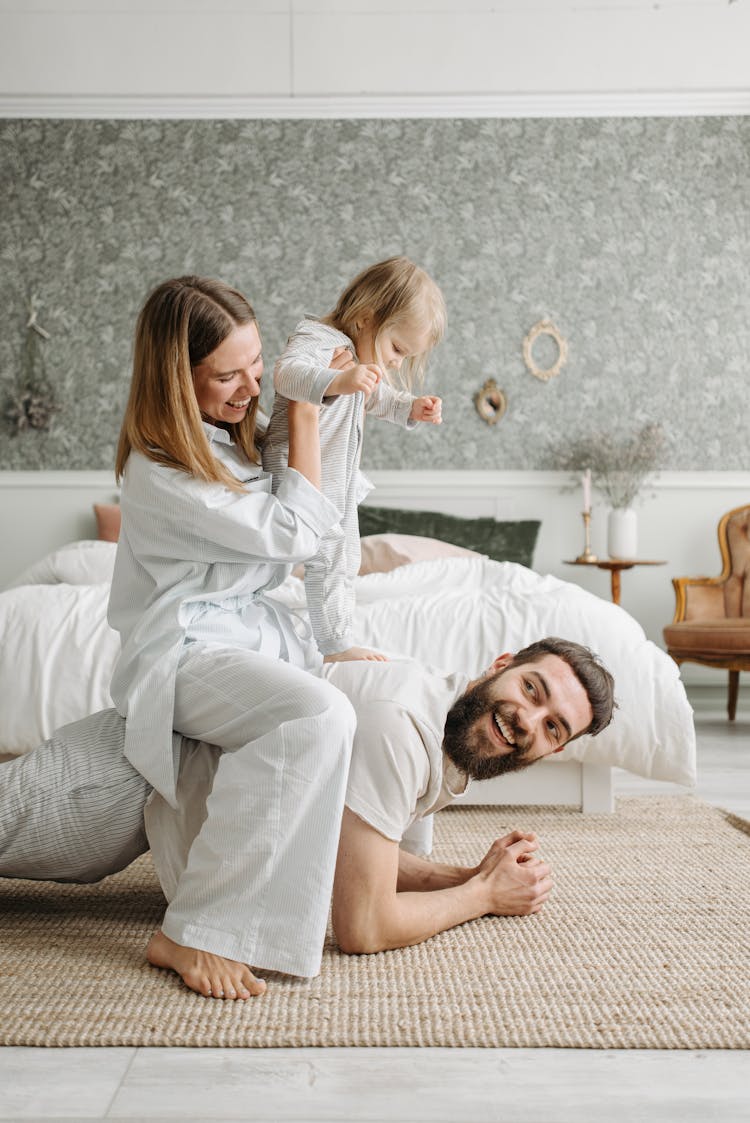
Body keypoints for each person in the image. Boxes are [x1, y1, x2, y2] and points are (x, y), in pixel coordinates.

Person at [0, 638, 615, 974]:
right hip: (120, 781)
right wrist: (482, 897)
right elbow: (364, 926)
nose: (526, 721)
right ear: (500, 665)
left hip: (149, 814)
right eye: (532, 690)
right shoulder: (402, 729)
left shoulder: (449, 730)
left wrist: (468, 874)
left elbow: (348, 846)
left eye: (553, 727)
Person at [104, 275, 359, 1000]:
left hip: (242, 639)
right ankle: (190, 931)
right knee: (319, 714)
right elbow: (294, 533)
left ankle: (380, 881)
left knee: (362, 692)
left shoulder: (233, 445)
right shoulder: (160, 472)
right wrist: (304, 406)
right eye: (228, 374)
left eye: (257, 366)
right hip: (182, 653)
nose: (252, 386)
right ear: (177, 380)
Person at [262, 256, 446, 663]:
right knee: (325, 554)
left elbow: (378, 396)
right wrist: (335, 380)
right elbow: (287, 374)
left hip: (335, 477)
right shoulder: (318, 337)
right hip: (298, 471)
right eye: (397, 348)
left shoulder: (358, 363)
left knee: (345, 556)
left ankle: (335, 638)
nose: (397, 361)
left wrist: (410, 407)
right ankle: (334, 645)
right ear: (365, 318)